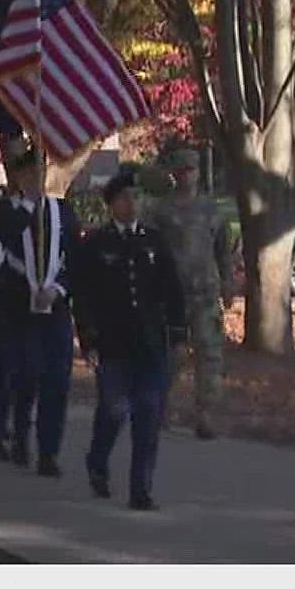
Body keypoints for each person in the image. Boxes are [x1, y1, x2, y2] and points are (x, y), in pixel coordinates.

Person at [76, 169, 188, 510]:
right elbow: (84, 297)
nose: (132, 203)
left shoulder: (153, 241)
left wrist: (179, 334)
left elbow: (172, 291)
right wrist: (89, 340)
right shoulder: (96, 244)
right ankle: (97, 460)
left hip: (150, 344)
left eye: (136, 197)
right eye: (125, 198)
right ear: (112, 204)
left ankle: (141, 489)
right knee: (113, 410)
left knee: (148, 415)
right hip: (113, 345)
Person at [0, 146, 81, 476]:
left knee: (56, 380)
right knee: (25, 376)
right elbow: (6, 239)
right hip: (18, 310)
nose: (37, 178)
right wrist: (31, 211)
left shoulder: (63, 213)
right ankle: (19, 436)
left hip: (53, 309)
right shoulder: (5, 212)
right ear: (20, 176)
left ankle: (48, 451)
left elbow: (76, 260)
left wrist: (57, 289)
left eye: (41, 172)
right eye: (30, 173)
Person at [146, 148, 233, 438]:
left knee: (209, 355)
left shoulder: (210, 209)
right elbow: (150, 251)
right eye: (182, 170)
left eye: (191, 170)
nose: (187, 175)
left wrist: (228, 283)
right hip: (172, 295)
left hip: (205, 292)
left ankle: (205, 415)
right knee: (172, 356)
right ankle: (161, 410)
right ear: (174, 173)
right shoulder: (161, 211)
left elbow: (223, 249)